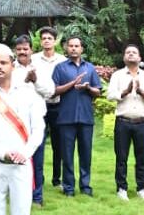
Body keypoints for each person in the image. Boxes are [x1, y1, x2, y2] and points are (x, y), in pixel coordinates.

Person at [0, 43, 45, 215]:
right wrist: (1, 153)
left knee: (21, 210)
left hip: (21, 163)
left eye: (3, 63)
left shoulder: (27, 92)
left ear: (12, 65)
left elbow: (38, 128)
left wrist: (25, 153)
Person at [52, 35, 101, 197]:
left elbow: (98, 91)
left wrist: (88, 88)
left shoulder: (90, 68)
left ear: (82, 49)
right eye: (71, 46)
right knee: (67, 154)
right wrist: (73, 84)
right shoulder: (60, 68)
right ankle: (68, 187)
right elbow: (55, 91)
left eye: (76, 46)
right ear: (66, 48)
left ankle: (86, 186)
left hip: (86, 118)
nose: (73, 48)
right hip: (66, 117)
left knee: (85, 154)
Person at [106, 44, 144, 201]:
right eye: (128, 52)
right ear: (124, 58)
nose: (131, 54)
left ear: (140, 57)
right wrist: (126, 92)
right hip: (123, 122)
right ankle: (121, 188)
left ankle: (142, 188)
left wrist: (140, 91)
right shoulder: (118, 75)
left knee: (142, 157)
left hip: (141, 122)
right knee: (121, 157)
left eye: (134, 52)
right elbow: (110, 95)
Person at [29, 26, 66, 203]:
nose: (46, 41)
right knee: (39, 142)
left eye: (49, 38)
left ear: (55, 41)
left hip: (58, 105)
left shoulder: (62, 60)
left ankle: (57, 178)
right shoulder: (33, 59)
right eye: (43, 38)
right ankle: (39, 178)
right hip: (40, 105)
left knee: (59, 144)